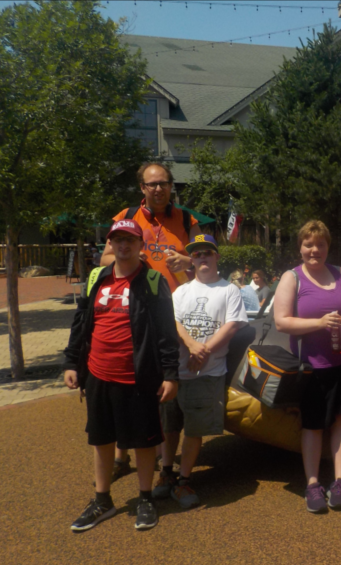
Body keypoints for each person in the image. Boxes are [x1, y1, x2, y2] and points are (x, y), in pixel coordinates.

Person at [62, 219, 179, 532]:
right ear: (110, 244)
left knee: (143, 441)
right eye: (118, 240)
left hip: (138, 376)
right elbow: (80, 322)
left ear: (140, 245)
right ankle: (102, 500)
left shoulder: (152, 281)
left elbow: (166, 332)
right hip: (98, 374)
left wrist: (171, 374)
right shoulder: (96, 278)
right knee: (101, 439)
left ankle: (145, 498)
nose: (124, 246)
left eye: (130, 240)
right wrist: (71, 363)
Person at [100, 162, 201, 479]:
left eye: (164, 183)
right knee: (127, 381)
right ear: (142, 188)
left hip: (175, 311)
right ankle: (121, 457)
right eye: (152, 184)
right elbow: (104, 258)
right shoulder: (127, 216)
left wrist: (189, 260)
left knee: (163, 383)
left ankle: (159, 451)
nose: (158, 189)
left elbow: (207, 259)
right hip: (134, 309)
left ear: (171, 186)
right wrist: (130, 257)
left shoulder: (187, 219)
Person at [275, 220, 341, 513]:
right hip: (312, 367)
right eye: (309, 244)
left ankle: (340, 482)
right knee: (313, 425)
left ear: (328, 247)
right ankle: (313, 484)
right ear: (300, 247)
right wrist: (319, 322)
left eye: (320, 244)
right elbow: (281, 322)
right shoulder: (292, 277)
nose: (314, 250)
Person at [153, 235, 248, 508]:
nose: (202, 258)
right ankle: (166, 472)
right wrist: (192, 346)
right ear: (191, 260)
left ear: (217, 257)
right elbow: (172, 322)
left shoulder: (229, 290)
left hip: (207, 372)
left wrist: (203, 352)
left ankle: (184, 480)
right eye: (196, 254)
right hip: (176, 371)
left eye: (207, 253)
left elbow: (232, 325)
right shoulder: (181, 292)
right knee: (170, 427)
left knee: (194, 430)